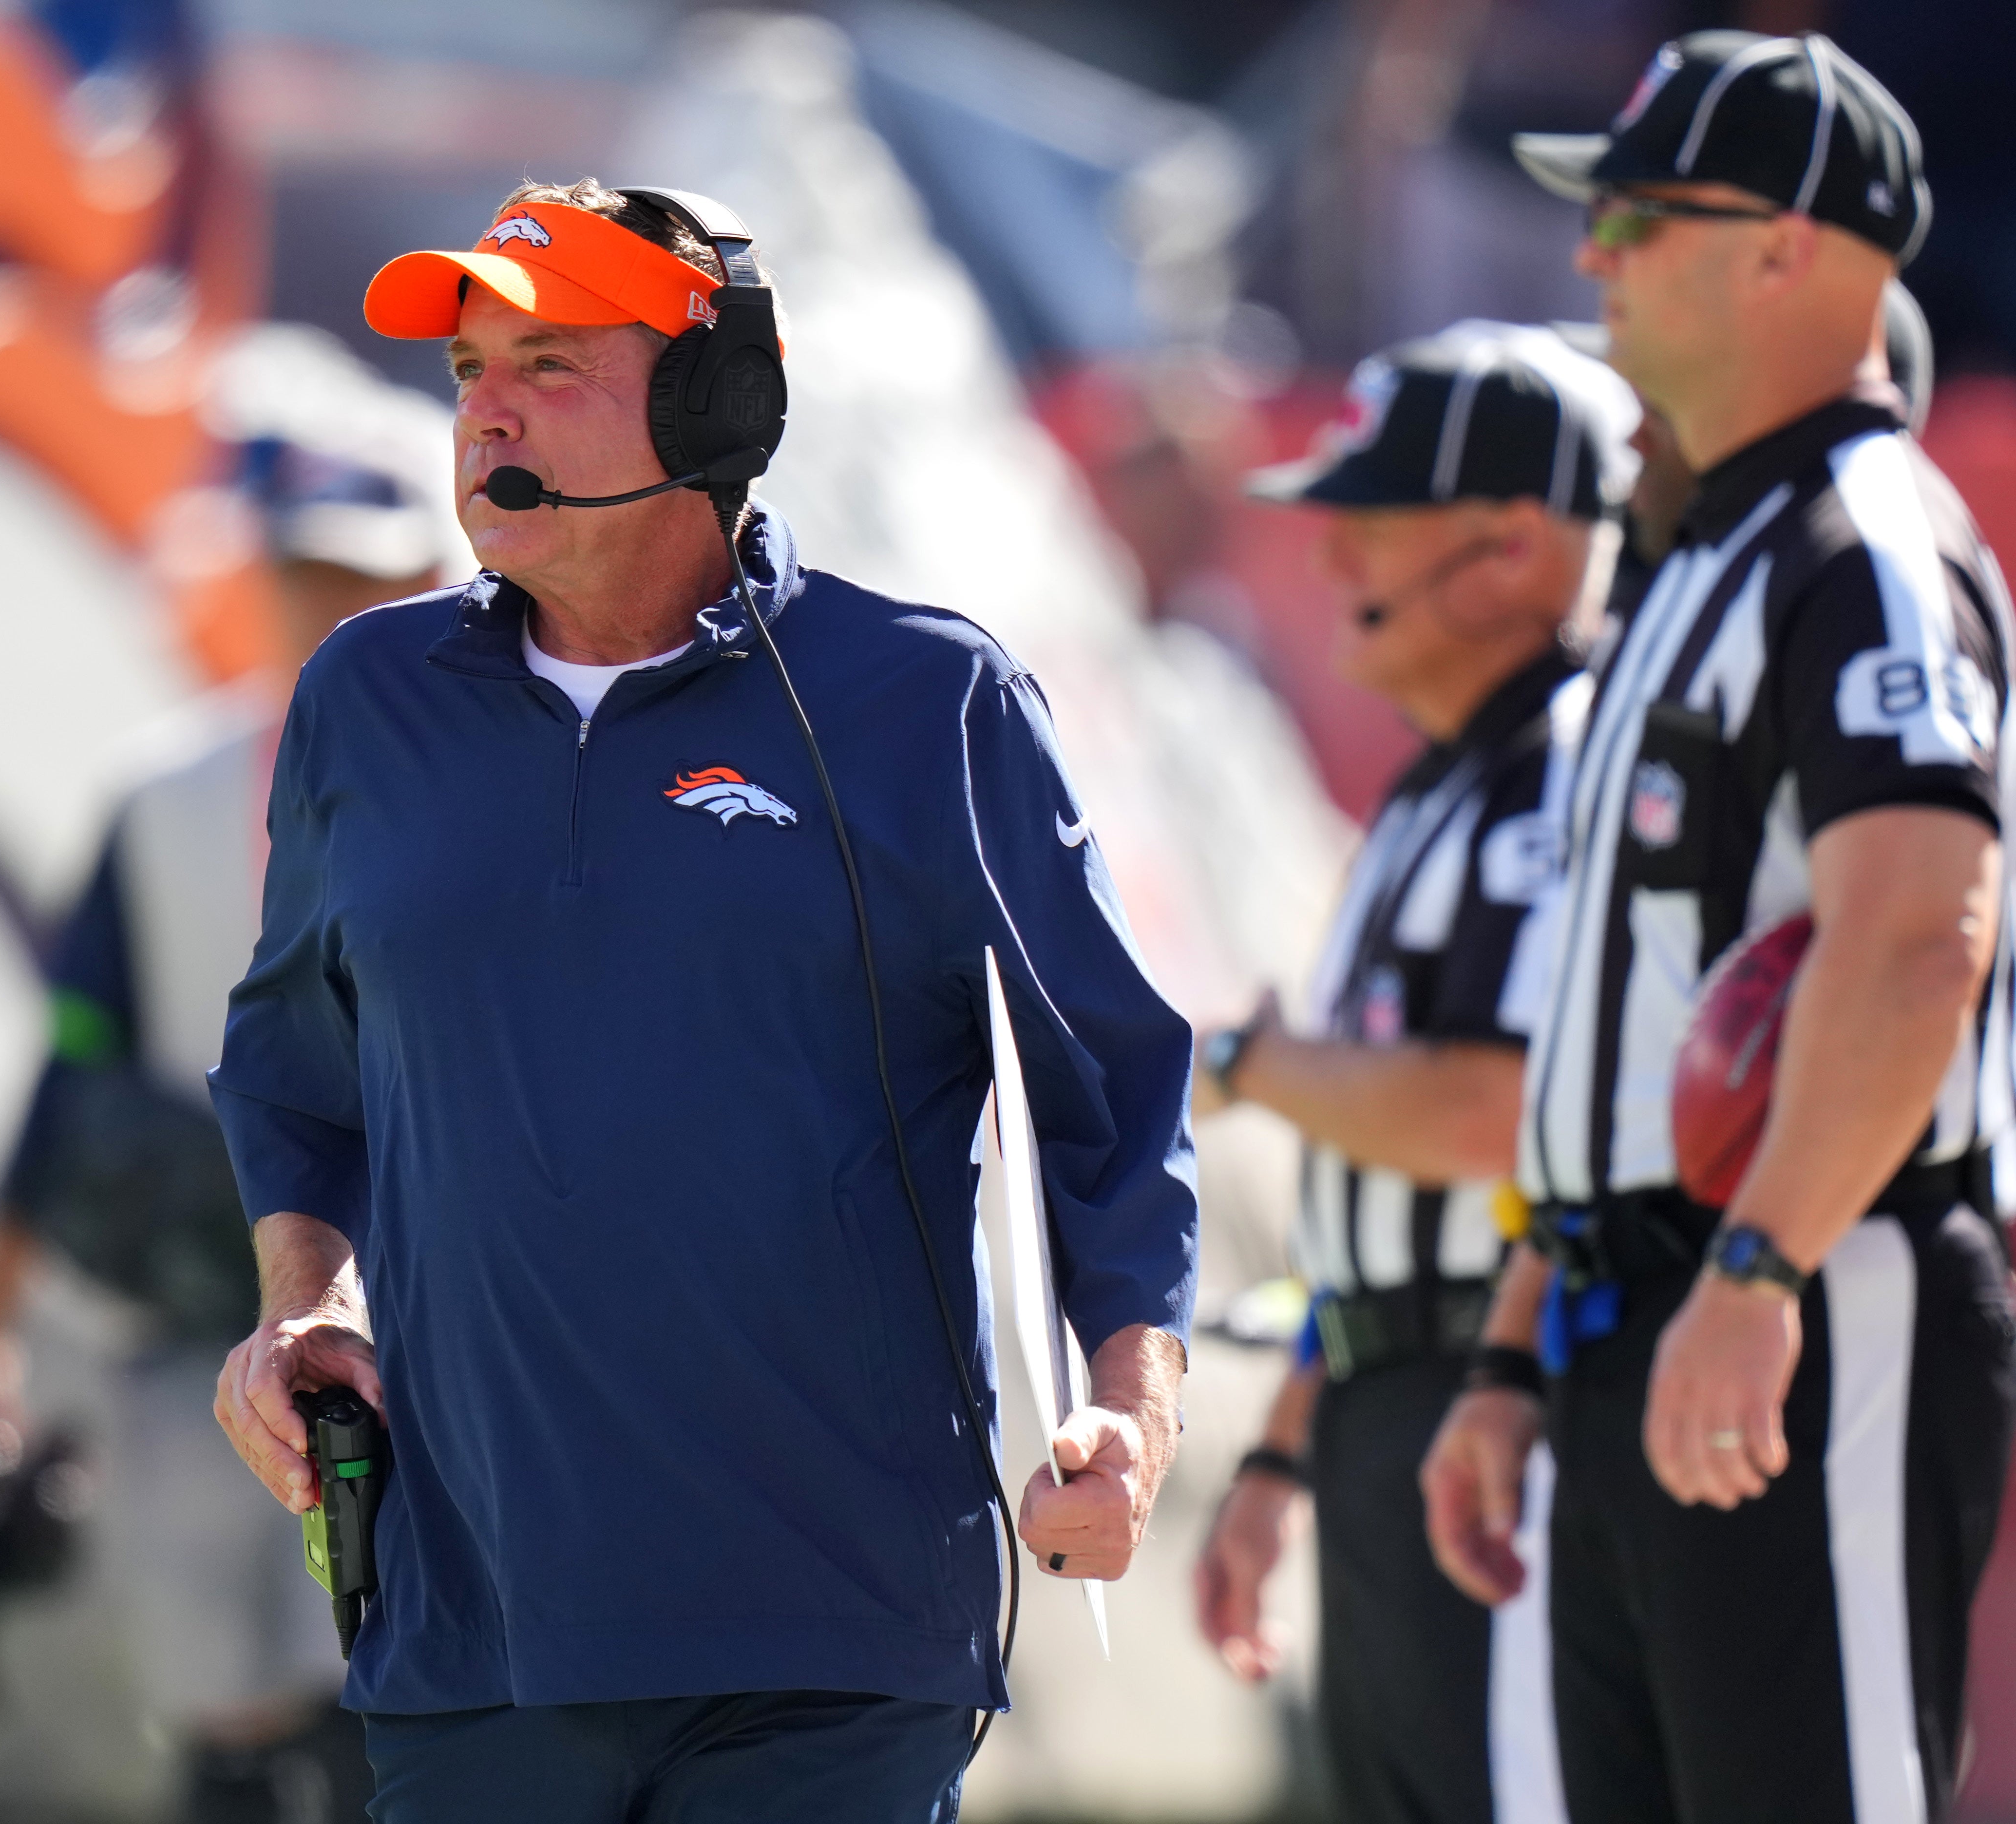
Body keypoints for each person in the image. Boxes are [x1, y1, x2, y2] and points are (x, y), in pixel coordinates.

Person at [206, 178, 1198, 1821]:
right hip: (472, 1637)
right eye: (466, 373)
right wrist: (304, 1300)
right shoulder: (362, 702)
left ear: (712, 400)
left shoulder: (926, 700)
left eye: (547, 362)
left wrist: (1128, 1412)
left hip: (831, 1644)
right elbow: (295, 1075)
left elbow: (1114, 1087)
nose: (485, 414)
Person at [1423, 33, 2016, 1823]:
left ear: (1789, 246)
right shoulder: (1703, 568)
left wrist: (1761, 1266)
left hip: (1805, 1287)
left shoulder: (1868, 546)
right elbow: (1621, 1027)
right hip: (1640, 1306)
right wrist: (1520, 1349)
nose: (1591, 255)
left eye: (1638, 214)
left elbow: (1921, 937)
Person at [0, 335, 461, 1824]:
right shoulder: (166, 793)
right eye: (309, 579)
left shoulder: (498, 794)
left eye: (366, 582)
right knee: (213, 1698)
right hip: (192, 1321)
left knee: (383, 1692)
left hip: (429, 1340)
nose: (336, 615)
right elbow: (62, 1072)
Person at [1192, 321, 1633, 1824]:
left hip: (1506, 1410)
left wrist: (1251, 1065)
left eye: (1372, 524)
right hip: (1394, 1400)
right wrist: (1285, 1455)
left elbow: (1486, 1114)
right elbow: (1385, 1166)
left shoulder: (1570, 763)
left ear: (1514, 547)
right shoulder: (1433, 789)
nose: (1332, 566)